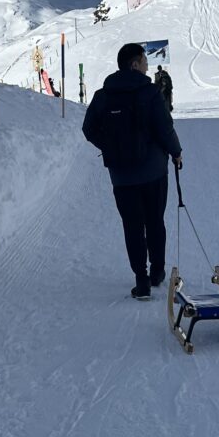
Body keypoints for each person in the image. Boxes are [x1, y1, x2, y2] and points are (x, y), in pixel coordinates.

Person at [82, 43, 183, 299]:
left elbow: (88, 129)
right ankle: (157, 271)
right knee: (154, 221)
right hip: (154, 172)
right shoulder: (149, 92)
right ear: (135, 64)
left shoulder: (103, 95)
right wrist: (176, 152)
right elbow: (164, 128)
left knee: (132, 226)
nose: (147, 66)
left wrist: (111, 146)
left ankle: (141, 280)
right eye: (144, 61)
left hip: (121, 175)